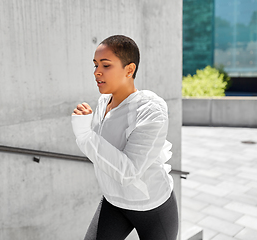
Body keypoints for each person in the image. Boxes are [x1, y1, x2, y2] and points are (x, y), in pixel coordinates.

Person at [71, 35, 178, 240]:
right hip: (113, 201)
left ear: (129, 70)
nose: (97, 72)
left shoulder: (151, 109)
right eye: (95, 65)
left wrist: (85, 135)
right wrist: (87, 131)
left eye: (106, 65)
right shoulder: (103, 101)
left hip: (152, 207)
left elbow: (129, 172)